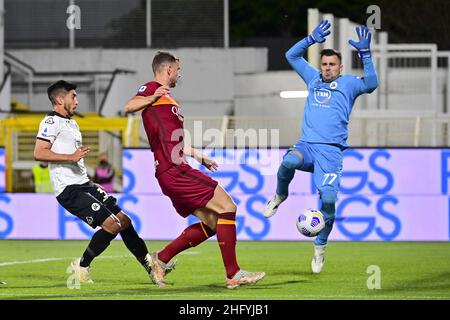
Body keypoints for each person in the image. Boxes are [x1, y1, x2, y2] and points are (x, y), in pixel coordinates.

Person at [124, 51, 265, 289]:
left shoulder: (167, 98)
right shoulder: (152, 89)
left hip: (172, 170)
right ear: (168, 69)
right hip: (174, 169)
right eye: (178, 69)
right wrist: (151, 97)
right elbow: (129, 106)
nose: (180, 73)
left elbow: (173, 141)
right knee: (228, 207)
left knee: (212, 223)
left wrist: (199, 156)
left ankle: (162, 258)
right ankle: (233, 274)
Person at [264, 21, 379, 273]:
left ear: (340, 67)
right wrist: (310, 39)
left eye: (331, 65)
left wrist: (366, 55)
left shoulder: (349, 84)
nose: (327, 68)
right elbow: (290, 55)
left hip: (331, 152)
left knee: (327, 200)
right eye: (324, 64)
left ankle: (320, 247)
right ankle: (280, 195)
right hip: (307, 145)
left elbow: (371, 84)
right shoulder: (312, 78)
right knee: (289, 162)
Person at [34, 80, 175, 285]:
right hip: (68, 189)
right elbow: (39, 153)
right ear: (59, 99)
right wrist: (71, 157)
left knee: (124, 220)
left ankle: (151, 267)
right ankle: (82, 266)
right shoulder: (50, 122)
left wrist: (87, 178)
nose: (77, 101)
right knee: (112, 225)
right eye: (73, 96)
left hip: (84, 184)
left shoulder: (72, 123)